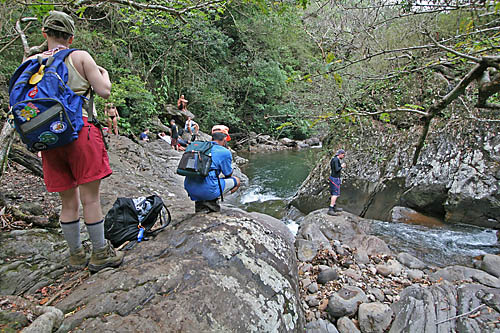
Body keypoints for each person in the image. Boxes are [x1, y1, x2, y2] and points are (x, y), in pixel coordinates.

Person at [27, 11, 123, 272]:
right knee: (90, 199)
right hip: (80, 131)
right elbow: (103, 91)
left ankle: (76, 255)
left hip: (48, 137)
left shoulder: (32, 62)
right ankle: (100, 253)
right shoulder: (79, 57)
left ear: (45, 34)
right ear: (71, 37)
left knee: (67, 202)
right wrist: (104, 74)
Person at [184, 125, 241, 213]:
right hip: (208, 190)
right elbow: (228, 174)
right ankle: (212, 200)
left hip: (189, 187)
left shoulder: (200, 147)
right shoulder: (224, 152)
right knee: (237, 181)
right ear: (225, 138)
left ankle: (201, 202)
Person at [328, 149, 346, 216]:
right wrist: (342, 166)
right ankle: (331, 208)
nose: (343, 156)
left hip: (333, 177)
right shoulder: (336, 160)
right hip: (335, 178)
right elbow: (337, 169)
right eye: (343, 155)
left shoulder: (334, 159)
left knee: (333, 193)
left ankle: (334, 206)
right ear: (340, 154)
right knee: (335, 194)